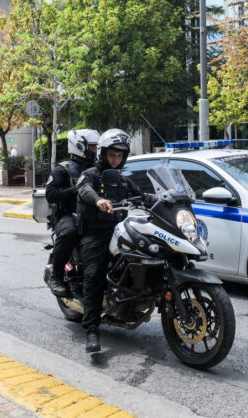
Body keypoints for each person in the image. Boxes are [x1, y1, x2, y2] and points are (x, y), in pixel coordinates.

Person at [76, 129, 142, 352]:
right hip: (95, 233)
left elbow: (141, 196)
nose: (115, 159)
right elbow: (84, 189)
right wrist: (98, 200)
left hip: (119, 231)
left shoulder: (123, 180)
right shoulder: (91, 175)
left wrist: (166, 198)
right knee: (94, 274)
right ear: (103, 154)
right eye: (112, 155)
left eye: (120, 155)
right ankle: (92, 330)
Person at [45, 129, 100, 297]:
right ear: (80, 147)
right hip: (69, 215)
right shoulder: (63, 170)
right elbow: (50, 194)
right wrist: (76, 189)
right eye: (93, 147)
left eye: (96, 147)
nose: (96, 151)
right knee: (68, 233)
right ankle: (56, 277)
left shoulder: (96, 168)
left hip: (93, 214)